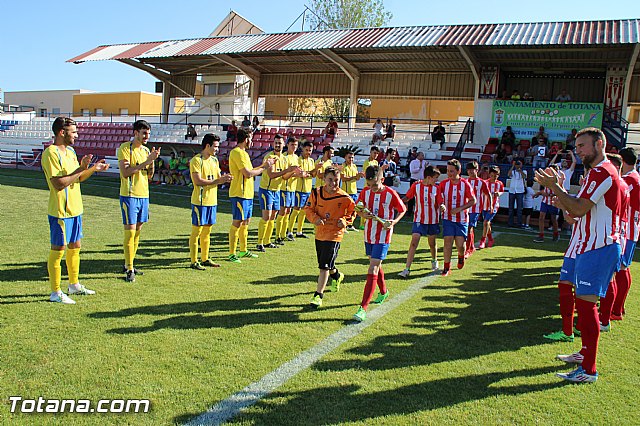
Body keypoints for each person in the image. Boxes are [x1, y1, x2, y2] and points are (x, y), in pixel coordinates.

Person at [535, 127, 622, 383]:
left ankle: (589, 370)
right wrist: (560, 197)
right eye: (577, 146)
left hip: (599, 247)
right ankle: (585, 354)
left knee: (586, 306)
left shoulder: (602, 172)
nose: (579, 151)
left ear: (599, 143)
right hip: (590, 246)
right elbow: (575, 212)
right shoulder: (595, 173)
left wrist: (557, 187)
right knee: (583, 305)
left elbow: (579, 209)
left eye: (583, 145)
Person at [42, 117, 109, 304]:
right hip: (60, 212)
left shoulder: (70, 151)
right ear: (62, 132)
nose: (77, 135)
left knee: (75, 247)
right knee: (59, 249)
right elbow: (58, 183)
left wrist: (92, 168)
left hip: (76, 209)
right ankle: (55, 292)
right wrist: (81, 168)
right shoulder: (51, 153)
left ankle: (74, 285)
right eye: (73, 132)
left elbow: (77, 179)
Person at [353, 165, 407, 321]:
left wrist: (393, 222)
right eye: (369, 185)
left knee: (373, 268)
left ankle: (363, 308)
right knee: (375, 264)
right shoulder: (365, 191)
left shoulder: (391, 194)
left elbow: (402, 209)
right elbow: (358, 207)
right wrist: (362, 213)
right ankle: (384, 292)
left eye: (374, 185)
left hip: (383, 236)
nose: (372, 189)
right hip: (368, 235)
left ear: (382, 180)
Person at [305, 166, 355, 307]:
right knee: (325, 263)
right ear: (324, 179)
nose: (333, 183)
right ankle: (337, 276)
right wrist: (315, 219)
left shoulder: (344, 197)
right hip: (320, 232)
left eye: (336, 180)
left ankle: (318, 295)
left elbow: (353, 211)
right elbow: (308, 209)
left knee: (323, 267)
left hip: (334, 234)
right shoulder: (316, 193)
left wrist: (344, 221)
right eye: (330, 180)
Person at [117, 120, 160, 282]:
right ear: (135, 133)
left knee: (138, 232)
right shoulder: (125, 148)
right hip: (129, 195)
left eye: (148, 133)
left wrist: (152, 160)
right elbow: (125, 172)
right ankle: (128, 269)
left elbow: (149, 175)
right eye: (143, 133)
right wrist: (147, 161)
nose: (146, 136)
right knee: (130, 232)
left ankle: (130, 263)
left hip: (143, 195)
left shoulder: (146, 150)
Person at [227, 129, 276, 263]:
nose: (252, 141)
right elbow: (247, 173)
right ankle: (232, 253)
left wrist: (265, 165)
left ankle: (243, 250)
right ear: (246, 139)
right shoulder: (236, 152)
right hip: (239, 193)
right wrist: (265, 167)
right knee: (237, 221)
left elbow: (252, 171)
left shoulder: (244, 154)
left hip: (247, 194)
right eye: (251, 138)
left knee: (246, 222)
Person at [188, 134, 232, 270]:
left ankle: (205, 258)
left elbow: (218, 178)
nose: (217, 150)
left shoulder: (214, 160)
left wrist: (225, 178)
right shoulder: (196, 161)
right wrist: (218, 181)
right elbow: (197, 181)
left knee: (207, 231)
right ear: (207, 146)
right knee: (197, 231)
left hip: (212, 201)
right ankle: (194, 261)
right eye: (216, 146)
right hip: (200, 202)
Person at [399, 166, 445, 277]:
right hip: (419, 219)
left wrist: (442, 206)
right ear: (428, 177)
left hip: (432, 220)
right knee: (414, 241)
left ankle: (434, 260)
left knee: (432, 243)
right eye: (435, 178)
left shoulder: (436, 188)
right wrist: (398, 202)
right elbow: (408, 197)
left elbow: (440, 201)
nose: (436, 181)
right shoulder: (416, 186)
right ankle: (407, 269)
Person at [611, 147, 640, 320]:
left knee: (621, 270)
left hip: (626, 230)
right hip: (630, 229)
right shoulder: (634, 177)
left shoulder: (629, 179)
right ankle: (618, 308)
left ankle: (615, 310)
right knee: (624, 269)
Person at [256, 134, 295, 252]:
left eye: (280, 143)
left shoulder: (283, 159)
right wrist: (287, 170)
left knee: (273, 217)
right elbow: (271, 175)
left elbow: (284, 177)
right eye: (276, 143)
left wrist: (293, 172)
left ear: (284, 144)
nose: (278, 145)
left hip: (277, 191)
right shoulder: (269, 157)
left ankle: (267, 241)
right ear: (273, 144)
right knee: (266, 217)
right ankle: (259, 243)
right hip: (266, 190)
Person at [438, 159, 476, 276]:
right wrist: (441, 204)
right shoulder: (444, 184)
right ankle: (446, 267)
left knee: (460, 244)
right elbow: (439, 197)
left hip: (462, 219)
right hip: (448, 218)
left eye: (452, 171)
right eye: (448, 171)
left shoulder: (465, 184)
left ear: (459, 171)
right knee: (448, 241)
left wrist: (459, 209)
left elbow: (473, 201)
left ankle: (461, 256)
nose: (450, 174)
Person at [290, 140, 317, 238]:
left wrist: (313, 170)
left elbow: (313, 174)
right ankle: (290, 231)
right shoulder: (298, 160)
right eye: (307, 150)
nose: (308, 152)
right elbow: (301, 174)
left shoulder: (311, 161)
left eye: (310, 150)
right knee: (296, 210)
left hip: (307, 189)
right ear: (302, 149)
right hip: (298, 189)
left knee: (304, 211)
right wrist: (308, 173)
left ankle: (299, 231)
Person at [278, 136, 303, 242]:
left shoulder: (296, 157)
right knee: (282, 212)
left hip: (293, 188)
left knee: (288, 211)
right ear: (287, 145)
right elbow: (284, 175)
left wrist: (301, 174)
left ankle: (284, 234)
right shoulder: (284, 157)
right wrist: (294, 173)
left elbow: (295, 173)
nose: (294, 147)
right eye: (292, 144)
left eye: (296, 145)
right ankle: (278, 236)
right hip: (284, 188)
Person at [465, 161, 492, 257]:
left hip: (476, 209)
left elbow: (488, 194)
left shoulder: (481, 182)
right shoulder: (465, 181)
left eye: (472, 170)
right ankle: (471, 247)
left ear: (477, 170)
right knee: (468, 229)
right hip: (466, 208)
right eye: (469, 170)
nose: (470, 172)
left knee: (469, 227)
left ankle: (468, 250)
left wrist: (491, 206)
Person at [533, 164, 564, 243]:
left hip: (553, 201)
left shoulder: (559, 179)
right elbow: (544, 189)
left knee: (553, 219)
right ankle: (541, 235)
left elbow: (561, 191)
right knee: (541, 217)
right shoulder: (546, 178)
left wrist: (551, 195)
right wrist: (539, 193)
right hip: (545, 200)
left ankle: (556, 234)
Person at [479, 166, 504, 249]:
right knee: (487, 223)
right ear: (489, 174)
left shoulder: (499, 183)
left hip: (494, 206)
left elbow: (502, 191)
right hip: (484, 206)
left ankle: (483, 240)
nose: (494, 177)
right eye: (492, 175)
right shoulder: (485, 182)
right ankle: (490, 239)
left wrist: (498, 194)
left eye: (496, 176)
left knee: (485, 222)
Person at [339, 151, 364, 231]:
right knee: (345, 210)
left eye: (352, 157)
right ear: (345, 158)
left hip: (353, 191)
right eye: (349, 157)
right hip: (346, 192)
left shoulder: (354, 166)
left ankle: (349, 224)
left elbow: (356, 178)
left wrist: (359, 176)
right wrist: (354, 177)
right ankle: (344, 225)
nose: (351, 159)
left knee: (355, 209)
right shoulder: (343, 166)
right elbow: (343, 179)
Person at [507, 159, 527, 227]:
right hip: (512, 191)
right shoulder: (513, 171)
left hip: (520, 191)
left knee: (519, 209)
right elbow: (508, 175)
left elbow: (525, 177)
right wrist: (513, 166)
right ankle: (510, 223)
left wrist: (520, 170)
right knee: (510, 208)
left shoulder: (524, 171)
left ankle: (519, 223)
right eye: (517, 164)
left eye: (519, 164)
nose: (518, 165)